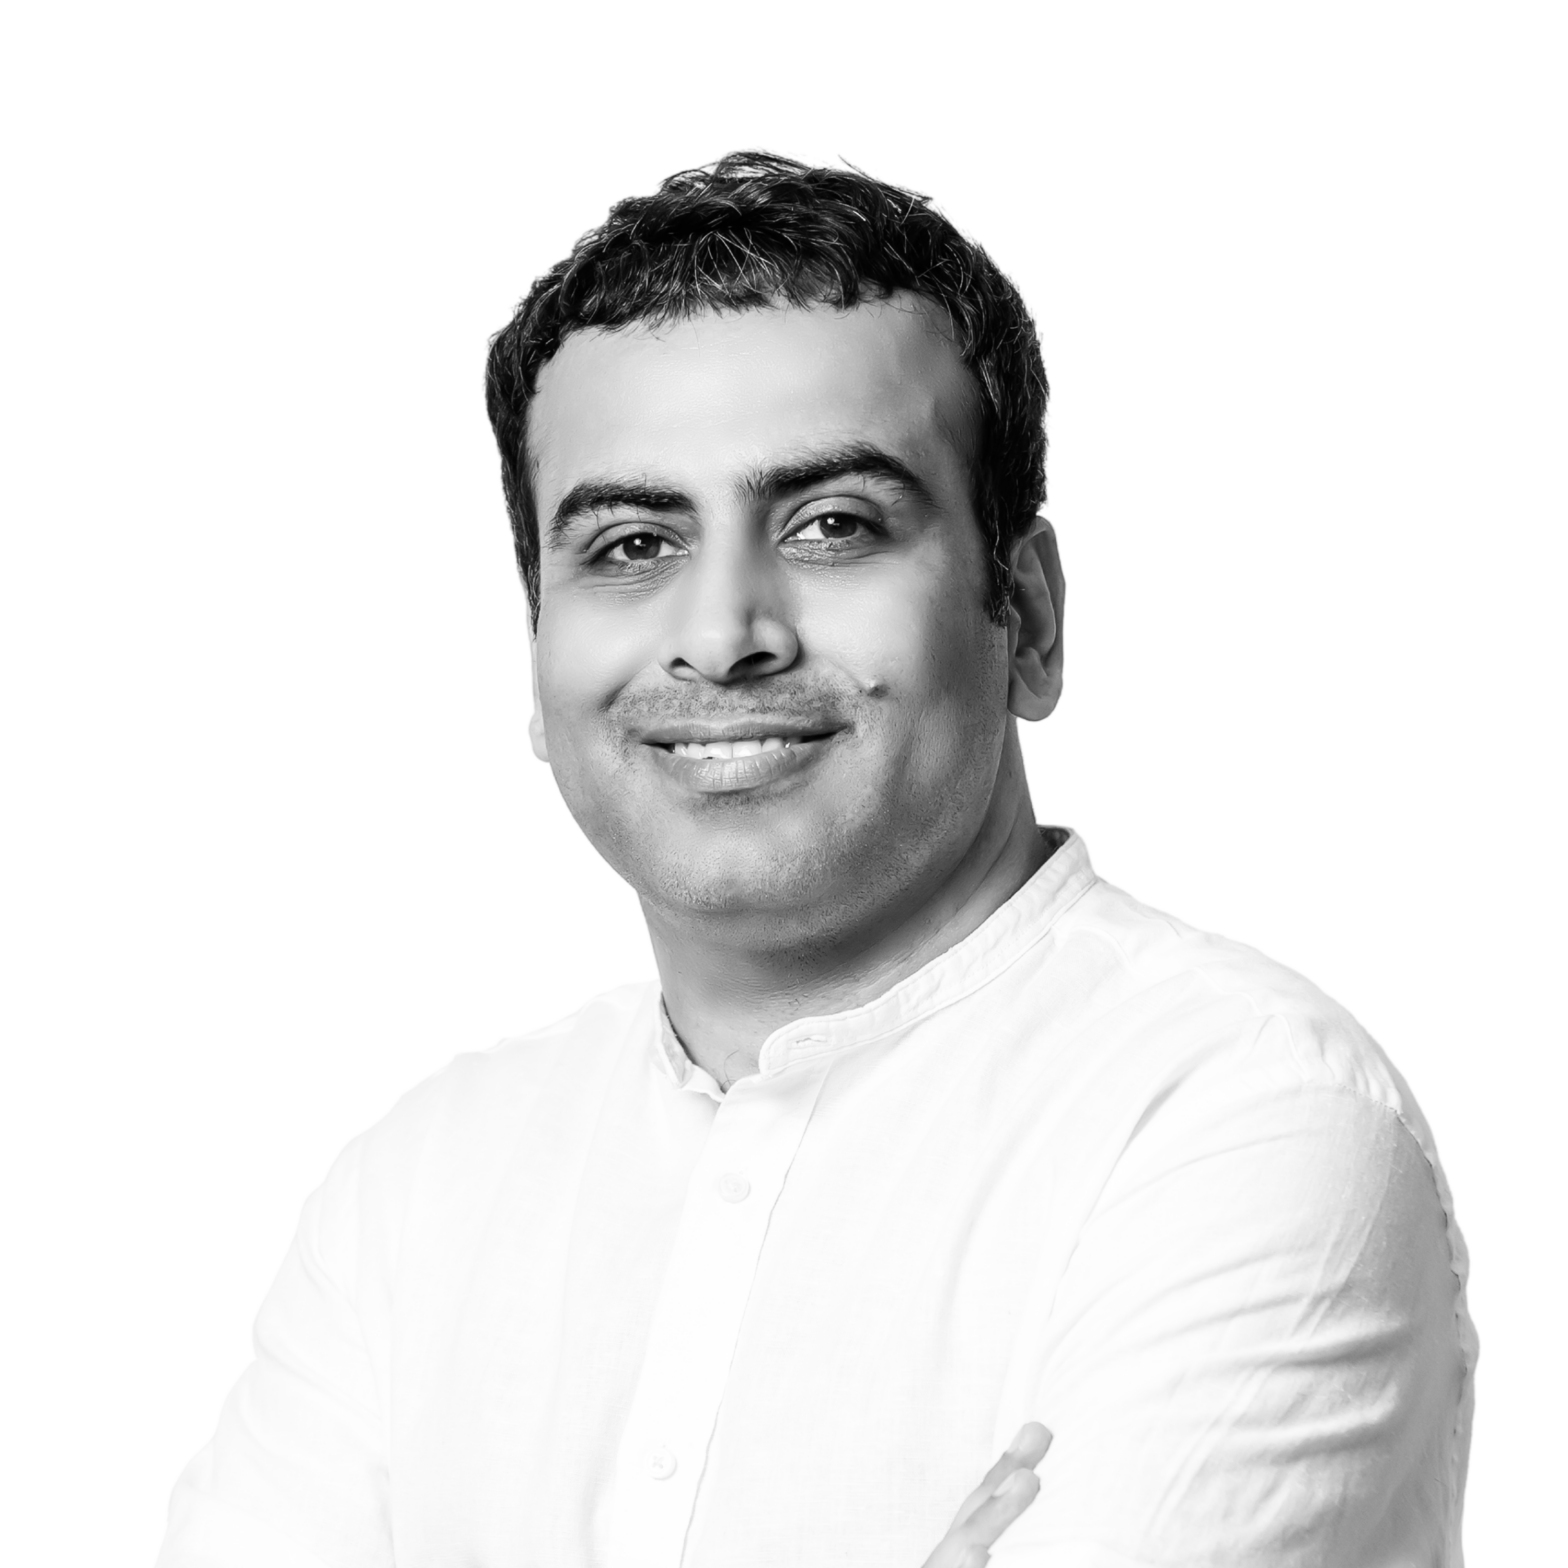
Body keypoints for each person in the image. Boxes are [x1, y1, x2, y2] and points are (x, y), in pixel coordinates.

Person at [155, 148, 1478, 1567]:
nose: (723, 635)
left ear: (1027, 620)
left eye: (833, 525)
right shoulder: (416, 1184)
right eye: (631, 544)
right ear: (533, 661)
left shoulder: (1247, 1117)